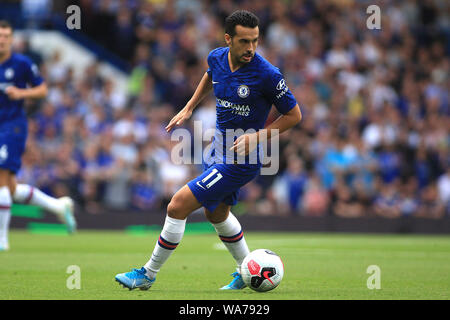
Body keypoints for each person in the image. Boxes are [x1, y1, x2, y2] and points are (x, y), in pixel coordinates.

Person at [115, 10, 302, 290]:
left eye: (255, 41)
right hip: (218, 150)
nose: (250, 48)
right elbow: (209, 75)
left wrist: (259, 137)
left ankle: (147, 274)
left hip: (242, 158)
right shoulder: (216, 57)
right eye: (243, 41)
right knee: (217, 214)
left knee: (177, 206)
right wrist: (189, 106)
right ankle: (244, 270)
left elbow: (294, 115)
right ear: (229, 39)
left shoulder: (267, 74)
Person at [0, 21, 76, 251]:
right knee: (10, 188)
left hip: (12, 127)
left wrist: (21, 92)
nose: (2, 39)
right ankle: (57, 207)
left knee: (1, 180)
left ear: (12, 39)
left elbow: (42, 89)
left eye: (5, 36)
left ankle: (2, 240)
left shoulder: (22, 63)